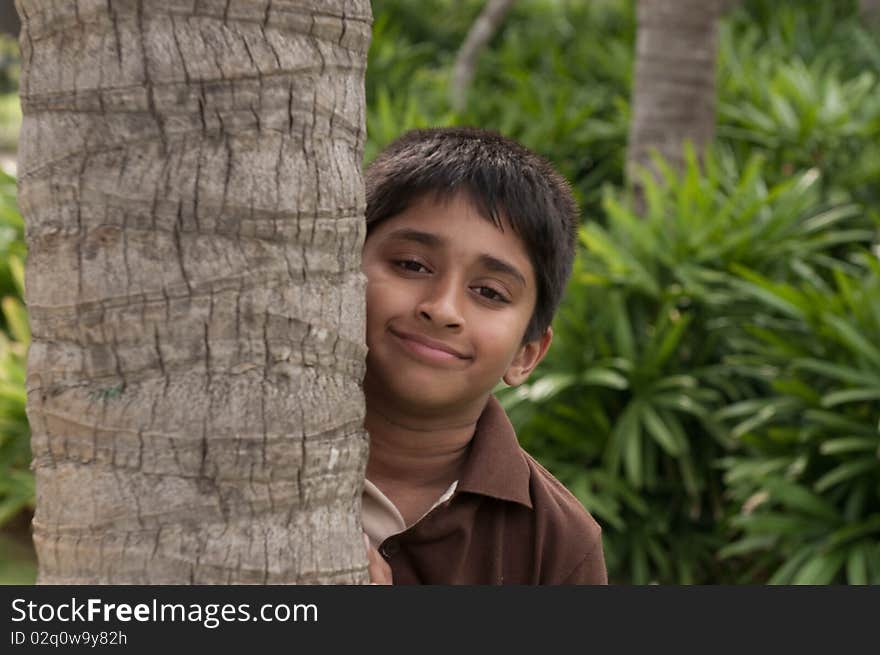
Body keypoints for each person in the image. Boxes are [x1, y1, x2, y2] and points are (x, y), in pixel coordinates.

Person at [359, 127, 607, 585]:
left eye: (489, 292)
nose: (443, 309)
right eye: (412, 265)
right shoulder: (232, 444)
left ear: (527, 355)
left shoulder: (557, 544)